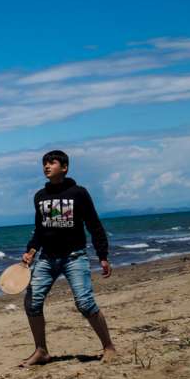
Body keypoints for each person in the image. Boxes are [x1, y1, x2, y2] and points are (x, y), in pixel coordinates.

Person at [21, 149, 117, 366]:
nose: (46, 166)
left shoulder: (78, 193)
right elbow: (39, 230)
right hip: (46, 258)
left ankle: (108, 347)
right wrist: (30, 251)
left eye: (51, 163)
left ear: (64, 167)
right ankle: (41, 351)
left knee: (84, 303)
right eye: (44, 163)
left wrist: (102, 255)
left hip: (74, 257)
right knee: (32, 303)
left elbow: (94, 224)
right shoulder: (40, 197)